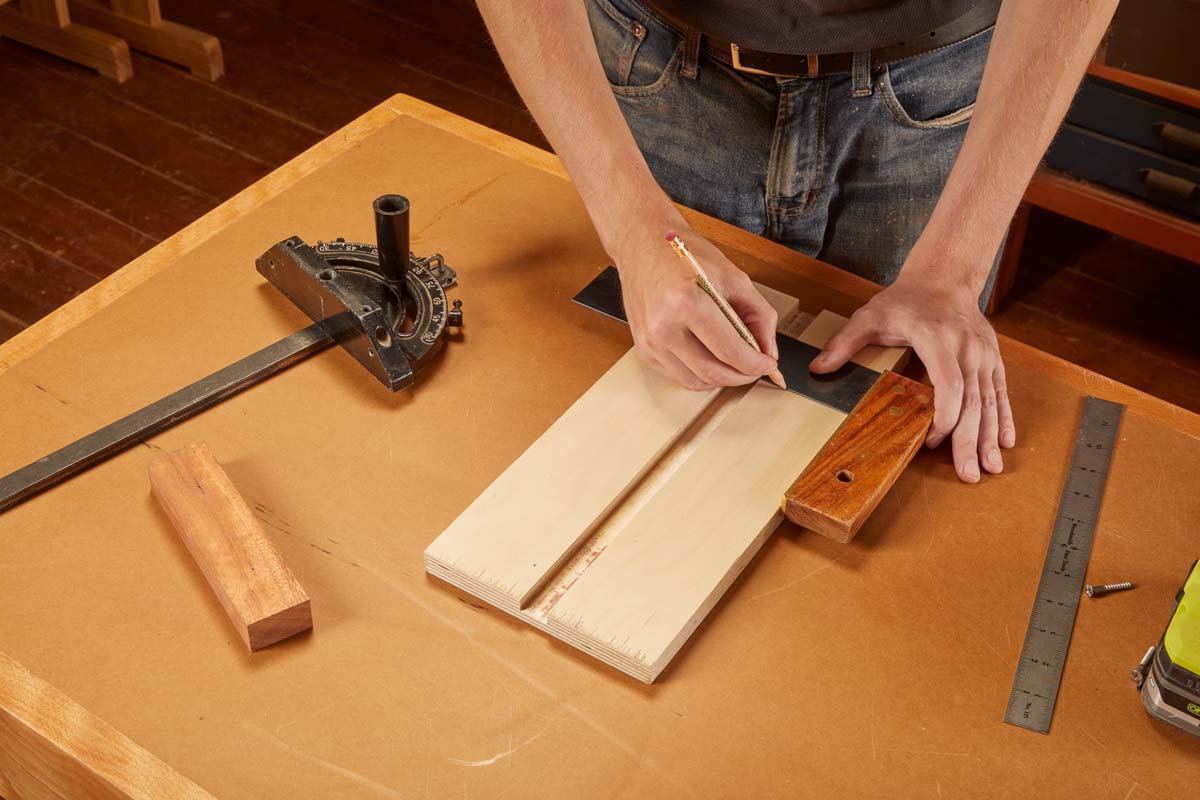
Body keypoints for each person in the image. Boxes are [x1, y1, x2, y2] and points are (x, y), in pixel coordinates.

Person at [475, 0, 1118, 482]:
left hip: (936, 83)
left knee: (896, 440)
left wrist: (951, 271)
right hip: (659, 59)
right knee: (649, 419)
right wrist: (636, 226)